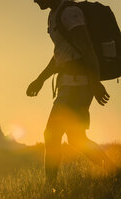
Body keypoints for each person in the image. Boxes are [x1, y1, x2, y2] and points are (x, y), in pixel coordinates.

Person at [27, 0, 116, 184]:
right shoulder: (54, 15)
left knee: (51, 134)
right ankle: (114, 173)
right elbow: (61, 53)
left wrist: (95, 84)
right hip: (69, 84)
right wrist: (40, 80)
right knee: (76, 139)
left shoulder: (69, 13)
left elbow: (87, 48)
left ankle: (50, 188)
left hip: (77, 86)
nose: (34, 0)